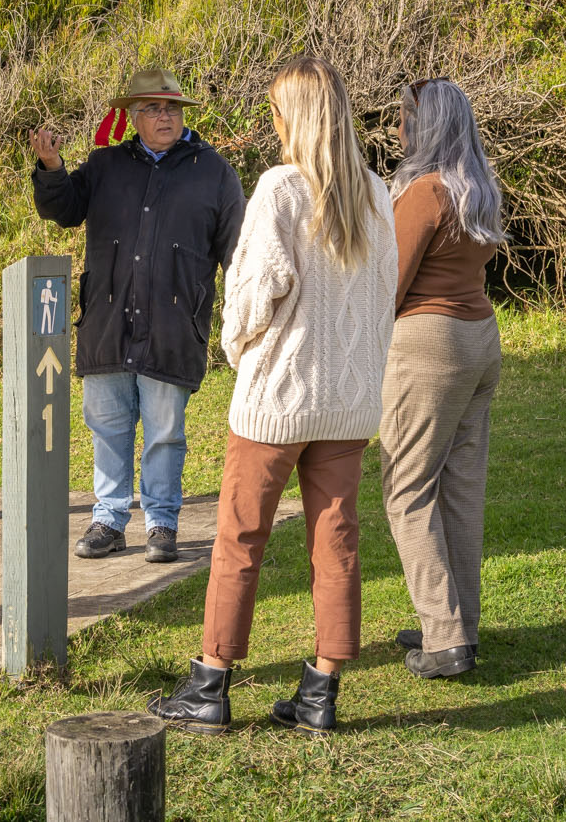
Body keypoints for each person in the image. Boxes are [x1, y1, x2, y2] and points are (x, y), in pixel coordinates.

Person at [148, 56, 396, 735]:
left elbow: (255, 290)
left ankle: (211, 683)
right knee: (337, 540)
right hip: (346, 401)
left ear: (296, 117)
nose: (274, 124)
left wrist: (237, 348)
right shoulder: (377, 194)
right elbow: (382, 300)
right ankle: (321, 690)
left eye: (278, 112)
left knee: (239, 537)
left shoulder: (282, 188)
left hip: (279, 397)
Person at [32, 68, 245, 564]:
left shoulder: (213, 171)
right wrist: (51, 165)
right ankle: (108, 518)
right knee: (107, 424)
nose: (164, 116)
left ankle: (162, 523)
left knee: (165, 431)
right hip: (108, 322)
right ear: (133, 116)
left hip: (174, 327)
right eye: (152, 108)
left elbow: (238, 250)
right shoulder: (106, 164)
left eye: (172, 108)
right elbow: (63, 209)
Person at [378, 77, 507, 679]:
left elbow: (389, 286)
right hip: (480, 338)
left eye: (404, 118)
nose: (397, 127)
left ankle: (445, 635)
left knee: (407, 488)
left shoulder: (425, 193)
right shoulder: (478, 188)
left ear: (422, 126)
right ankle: (460, 619)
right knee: (460, 486)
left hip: (430, 347)